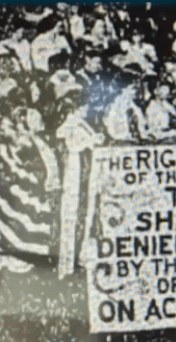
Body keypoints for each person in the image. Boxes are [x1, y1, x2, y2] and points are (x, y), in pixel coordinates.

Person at [56, 89, 105, 277]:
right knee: (74, 214)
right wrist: (93, 141)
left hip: (83, 170)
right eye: (84, 107)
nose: (86, 110)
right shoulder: (72, 125)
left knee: (84, 213)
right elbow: (83, 143)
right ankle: (70, 262)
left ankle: (80, 257)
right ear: (76, 108)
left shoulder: (79, 123)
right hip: (77, 173)